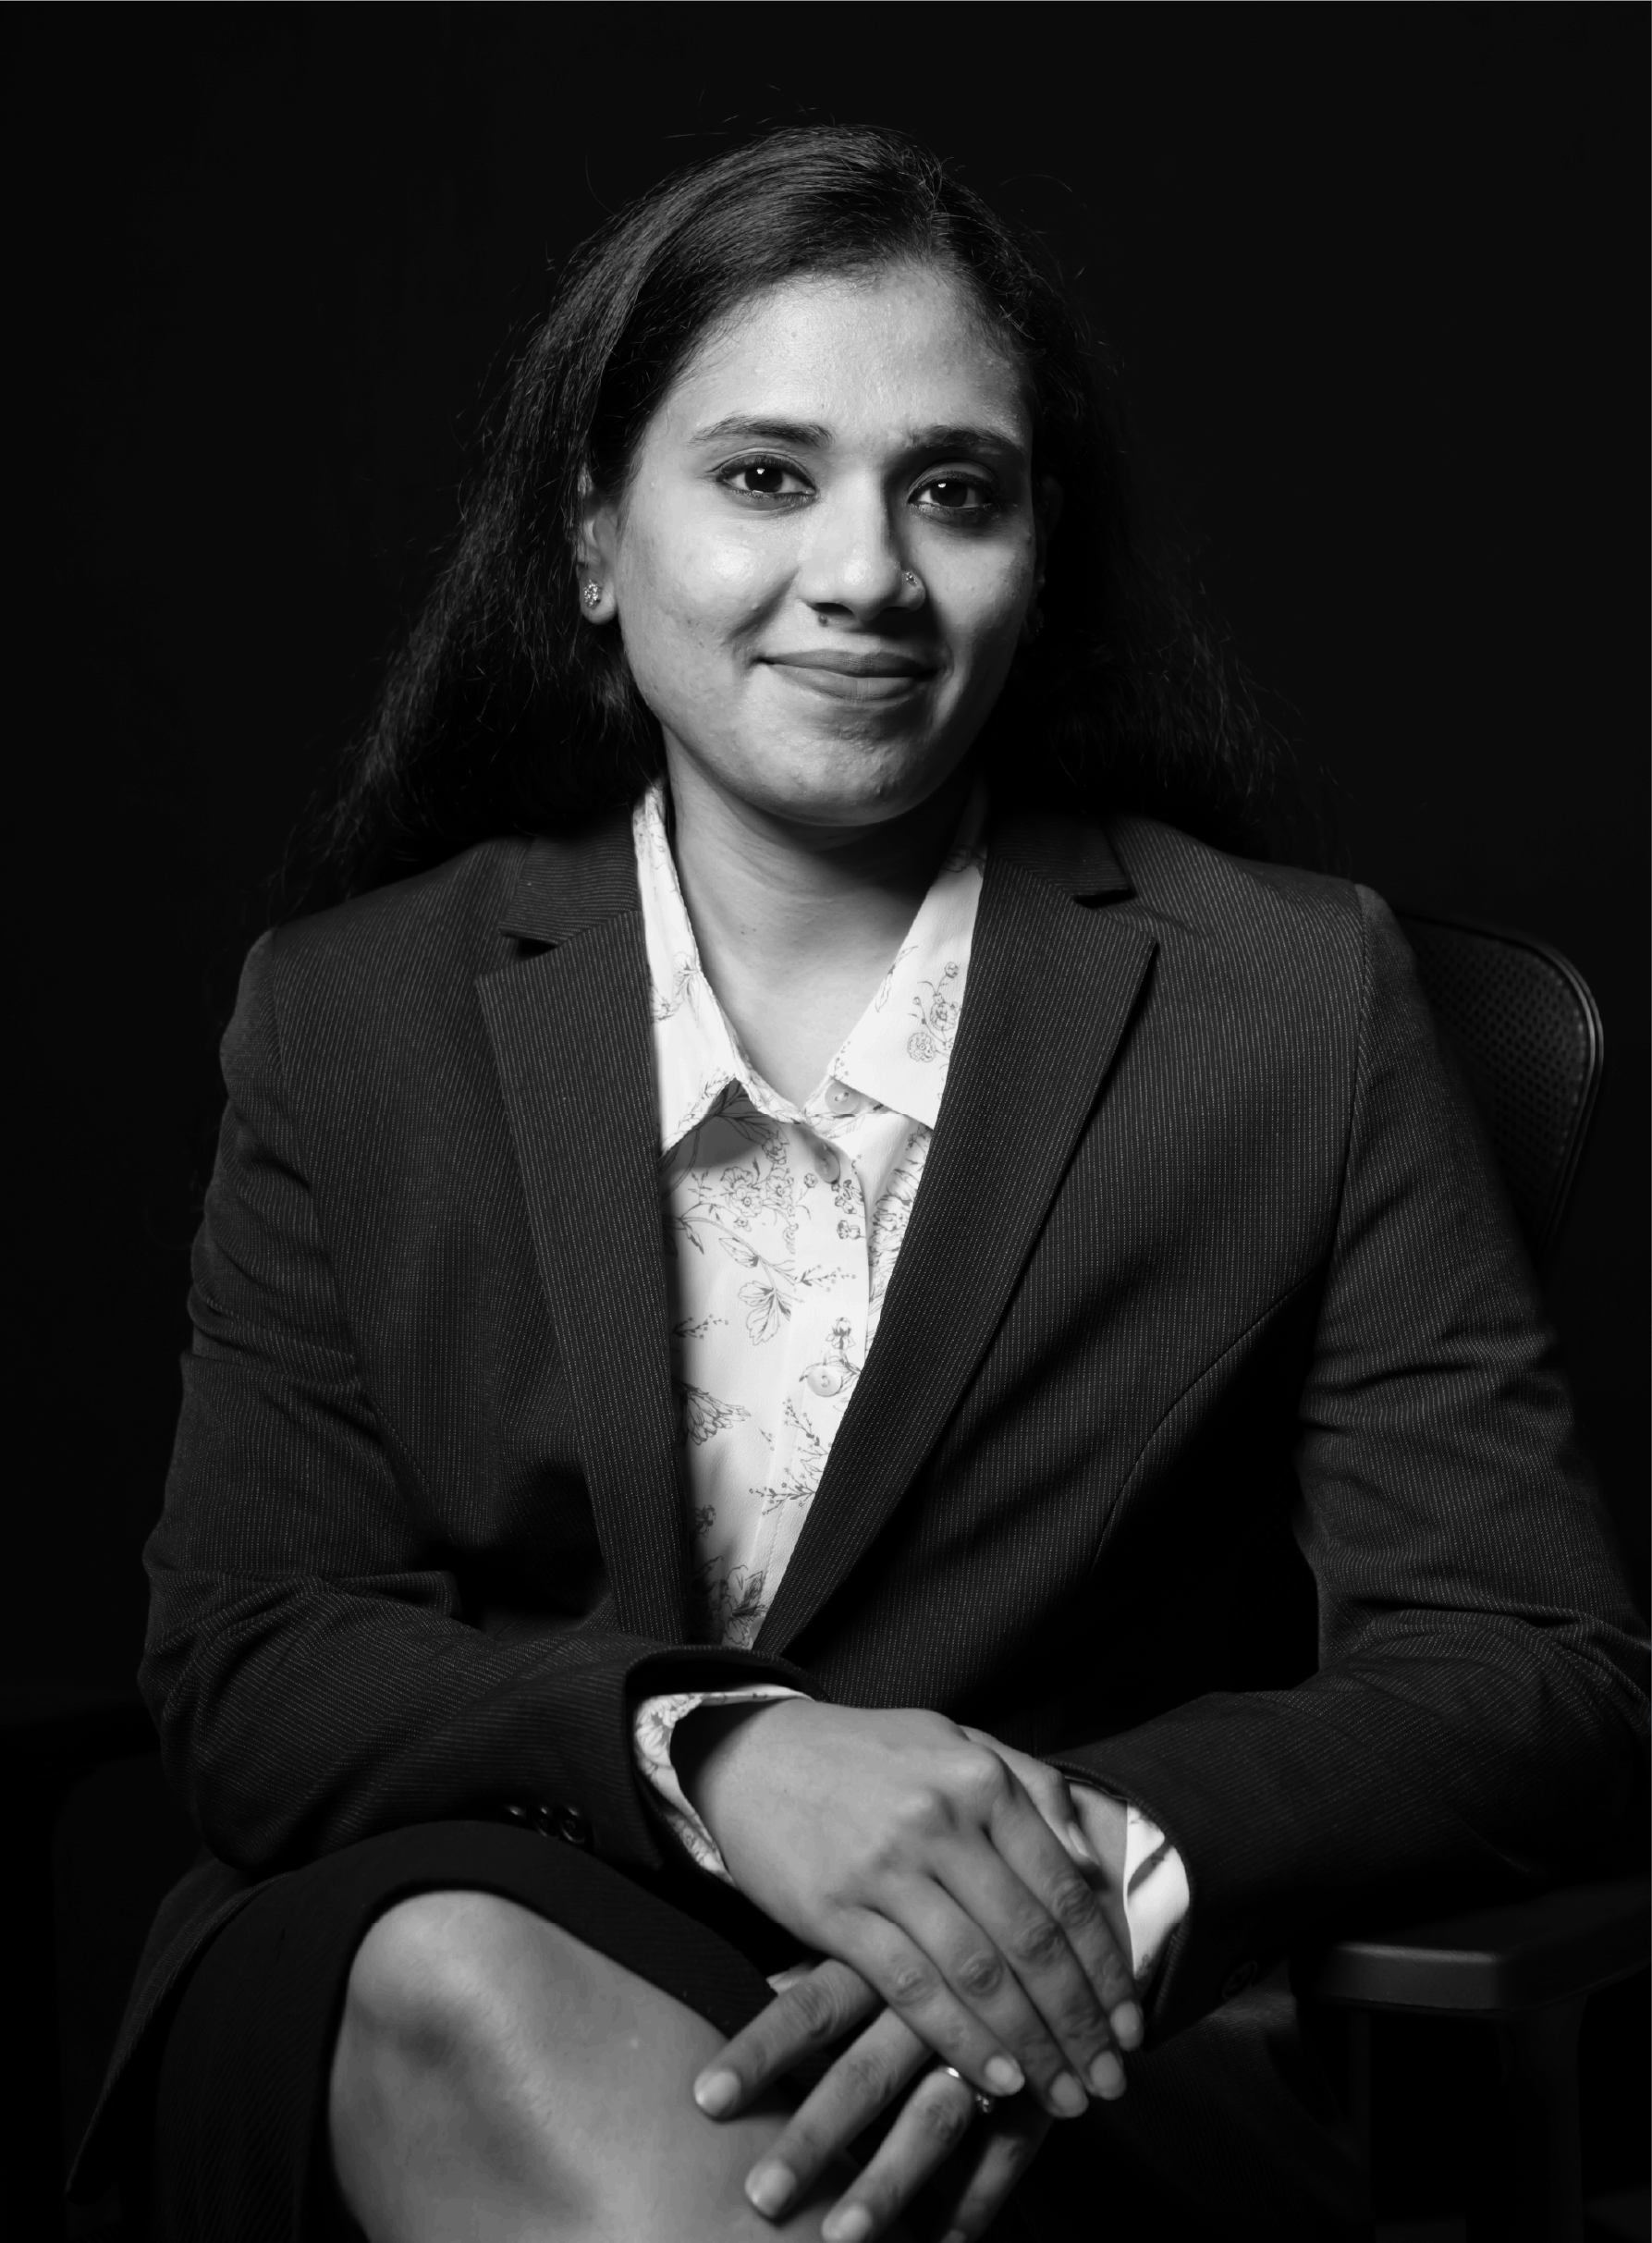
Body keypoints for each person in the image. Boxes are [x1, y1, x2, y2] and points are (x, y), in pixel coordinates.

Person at [76, 125, 1646, 2243]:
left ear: (1036, 553)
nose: (864, 575)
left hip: (1035, 2047)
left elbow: (1528, 1665)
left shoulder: (1290, 1000)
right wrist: (717, 1754)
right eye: (762, 475)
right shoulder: (352, 1012)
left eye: (952, 491)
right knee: (454, 1979)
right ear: (592, 539)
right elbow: (255, 1655)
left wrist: (1067, 1876)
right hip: (468, 1931)